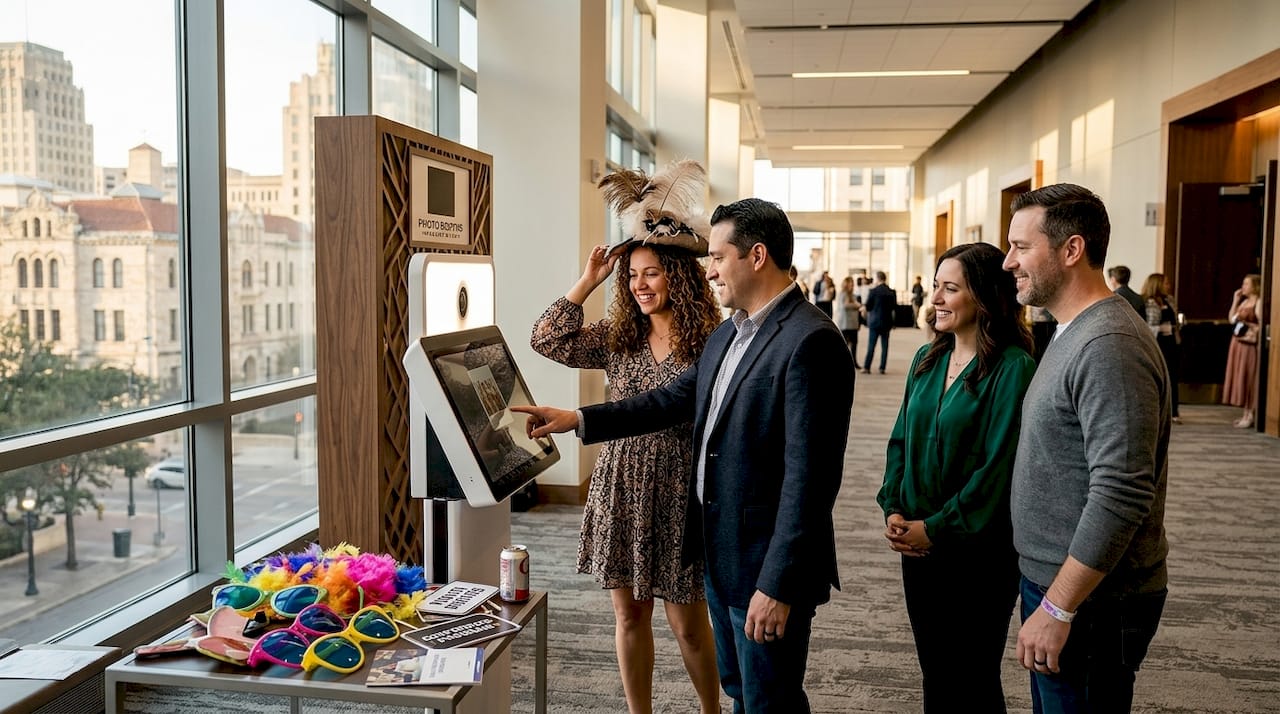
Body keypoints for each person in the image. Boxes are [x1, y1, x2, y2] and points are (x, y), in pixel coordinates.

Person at [514, 198, 856, 713]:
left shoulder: (811, 341)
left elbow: (811, 480)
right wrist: (579, 419)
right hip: (719, 548)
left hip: (761, 562)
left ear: (756, 256)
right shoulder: (730, 335)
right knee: (743, 689)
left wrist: (778, 582)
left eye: (718, 256)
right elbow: (668, 400)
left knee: (771, 700)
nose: (710, 267)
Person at [529, 161, 723, 714]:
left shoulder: (710, 341)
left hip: (682, 490)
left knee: (688, 623)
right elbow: (547, 337)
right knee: (628, 615)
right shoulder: (619, 336)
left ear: (678, 276)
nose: (639, 284)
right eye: (632, 274)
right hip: (623, 485)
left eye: (652, 273)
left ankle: (711, 710)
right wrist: (588, 280)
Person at [1002, 183, 1170, 713]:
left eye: (1022, 247)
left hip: (1092, 601)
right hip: (1066, 587)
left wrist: (1060, 606)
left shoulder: (1108, 345)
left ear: (1071, 250)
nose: (1009, 262)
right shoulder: (1071, 331)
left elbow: (1121, 492)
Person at [878, 242, 1035, 712]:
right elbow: (900, 441)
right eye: (935, 288)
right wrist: (895, 508)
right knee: (936, 672)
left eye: (950, 289)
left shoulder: (1013, 367)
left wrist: (937, 528)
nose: (936, 299)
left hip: (977, 553)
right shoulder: (927, 360)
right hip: (918, 547)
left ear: (984, 298)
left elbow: (997, 468)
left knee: (972, 676)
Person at [1141, 273, 1183, 424]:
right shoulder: (1148, 302)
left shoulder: (1170, 300)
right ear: (1157, 284)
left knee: (1172, 376)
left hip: (1171, 343)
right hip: (1157, 343)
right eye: (1165, 283)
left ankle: (1174, 411)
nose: (1168, 286)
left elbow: (1176, 320)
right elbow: (1147, 325)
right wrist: (1160, 328)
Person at [1223, 273, 1263, 428]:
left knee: (1249, 377)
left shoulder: (1257, 302)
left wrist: (1252, 329)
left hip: (1248, 345)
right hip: (1237, 343)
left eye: (1246, 284)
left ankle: (1251, 413)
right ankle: (1245, 413)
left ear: (1254, 286)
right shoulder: (1244, 301)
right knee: (1240, 376)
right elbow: (1231, 319)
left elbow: (1261, 322)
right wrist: (1235, 299)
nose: (1243, 286)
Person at [862, 271, 897, 374]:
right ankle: (882, 367)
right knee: (885, 346)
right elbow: (894, 307)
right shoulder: (891, 291)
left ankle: (867, 367)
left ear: (877, 278)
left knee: (871, 346)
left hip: (875, 322)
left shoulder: (873, 291)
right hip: (886, 322)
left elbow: (868, 306)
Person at [833, 275, 863, 366]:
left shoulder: (853, 295)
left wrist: (855, 304)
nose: (852, 286)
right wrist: (856, 305)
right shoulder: (843, 294)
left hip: (853, 323)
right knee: (844, 345)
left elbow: (856, 305)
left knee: (854, 344)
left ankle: (854, 361)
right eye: (851, 284)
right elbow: (845, 306)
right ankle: (842, 362)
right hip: (845, 323)